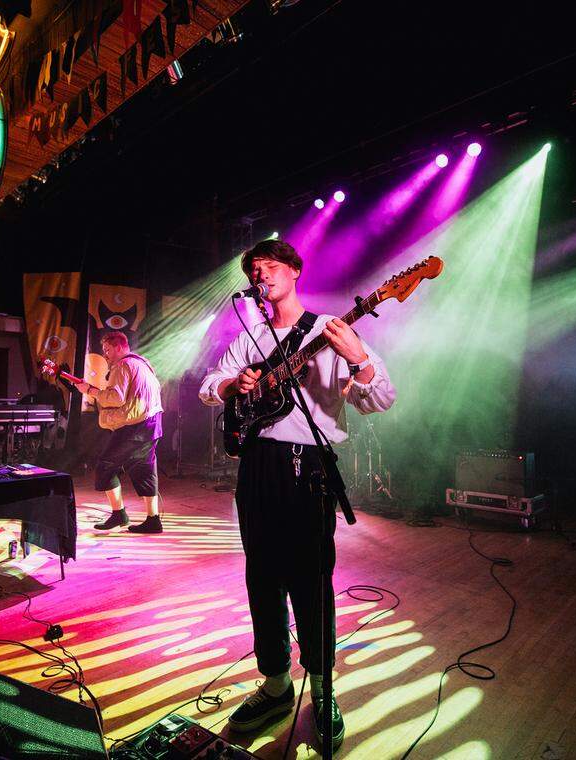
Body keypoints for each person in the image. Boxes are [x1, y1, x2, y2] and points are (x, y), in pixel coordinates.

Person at [199, 239, 396, 751]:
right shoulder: (252, 333)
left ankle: (323, 686)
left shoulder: (331, 330)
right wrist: (233, 387)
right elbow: (209, 383)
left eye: (269, 267)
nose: (261, 276)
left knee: (311, 579)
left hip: (308, 466)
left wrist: (358, 361)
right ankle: (275, 683)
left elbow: (382, 400)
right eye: (253, 271)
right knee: (261, 576)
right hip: (257, 465)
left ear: (293, 270)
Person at [69, 331, 165, 534]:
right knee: (144, 469)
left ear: (120, 347)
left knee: (105, 466)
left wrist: (90, 390)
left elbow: (116, 398)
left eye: (107, 350)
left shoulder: (123, 365)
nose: (105, 355)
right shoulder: (143, 364)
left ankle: (118, 514)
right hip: (152, 423)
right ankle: (153, 519)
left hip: (135, 427)